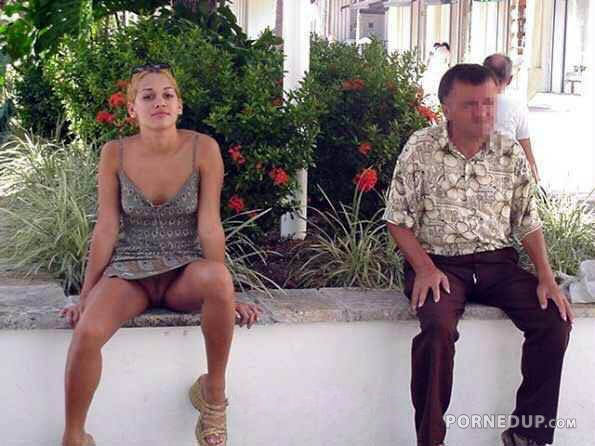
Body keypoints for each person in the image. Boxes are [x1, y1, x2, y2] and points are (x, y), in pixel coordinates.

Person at [60, 63, 261, 446]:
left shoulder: (203, 149)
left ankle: (213, 396)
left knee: (218, 279)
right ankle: (74, 436)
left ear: (179, 106)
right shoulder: (114, 154)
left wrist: (226, 297)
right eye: (148, 96)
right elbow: (106, 228)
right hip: (130, 271)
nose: (159, 102)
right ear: (132, 109)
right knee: (87, 333)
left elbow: (209, 225)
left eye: (168, 95)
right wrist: (86, 295)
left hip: (184, 271)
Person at [383, 64, 572, 446]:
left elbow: (528, 220)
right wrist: (424, 268)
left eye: (489, 103)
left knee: (554, 320)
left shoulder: (509, 151)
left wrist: (546, 277)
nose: (483, 113)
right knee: (437, 330)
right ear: (446, 108)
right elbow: (397, 219)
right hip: (440, 265)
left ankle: (527, 434)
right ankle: (431, 439)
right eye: (470, 104)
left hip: (497, 264)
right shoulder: (421, 148)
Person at [484, 53, 540, 181]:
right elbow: (525, 145)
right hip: (505, 174)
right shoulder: (516, 106)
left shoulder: (466, 101)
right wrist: (535, 176)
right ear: (509, 80)